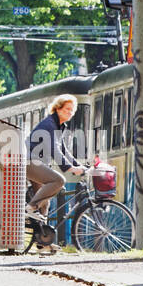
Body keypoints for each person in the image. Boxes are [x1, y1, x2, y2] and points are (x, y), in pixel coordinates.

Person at [25, 96, 87, 246]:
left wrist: (80, 166)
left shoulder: (60, 126)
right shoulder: (49, 124)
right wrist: (69, 168)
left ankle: (42, 241)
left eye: (72, 110)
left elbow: (64, 150)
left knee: (45, 201)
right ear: (57, 108)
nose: (70, 113)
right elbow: (54, 150)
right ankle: (30, 208)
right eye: (66, 109)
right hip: (29, 161)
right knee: (59, 181)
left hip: (38, 162)